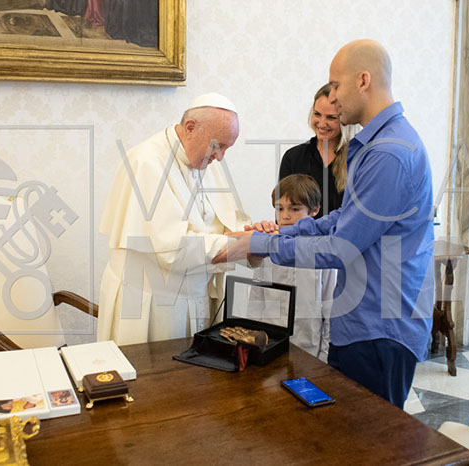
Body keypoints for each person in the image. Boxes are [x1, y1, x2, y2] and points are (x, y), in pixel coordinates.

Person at [214, 39, 434, 409]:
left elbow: (340, 246)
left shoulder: (389, 154)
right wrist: (281, 232)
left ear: (363, 80)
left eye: (335, 86)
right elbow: (341, 219)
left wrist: (260, 245)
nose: (331, 98)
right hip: (363, 323)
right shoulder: (378, 143)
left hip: (379, 329)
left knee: (365, 436)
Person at [98, 93, 251, 346]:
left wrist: (252, 232)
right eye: (218, 146)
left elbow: (224, 222)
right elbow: (171, 248)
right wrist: (244, 243)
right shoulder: (145, 162)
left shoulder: (208, 162)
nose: (220, 157)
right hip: (152, 304)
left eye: (227, 148)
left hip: (199, 297)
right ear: (190, 128)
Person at [248, 174, 335, 362]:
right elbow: (256, 301)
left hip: (308, 349)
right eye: (280, 208)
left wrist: (324, 356)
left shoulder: (323, 254)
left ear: (314, 211)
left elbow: (330, 310)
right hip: (268, 347)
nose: (285, 216)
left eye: (295, 209)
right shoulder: (267, 249)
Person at [279, 84, 356, 218]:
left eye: (331, 117)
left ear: (345, 119)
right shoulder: (293, 157)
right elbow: (283, 214)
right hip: (301, 233)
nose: (321, 123)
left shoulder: (358, 158)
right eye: (317, 114)